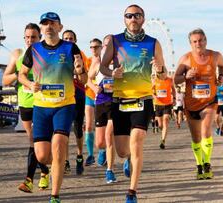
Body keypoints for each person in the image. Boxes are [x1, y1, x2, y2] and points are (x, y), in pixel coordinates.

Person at [99, 4, 166, 202]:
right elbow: (102, 67)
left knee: (136, 142)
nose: (133, 19)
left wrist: (160, 68)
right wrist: (112, 72)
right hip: (120, 100)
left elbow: (163, 74)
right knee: (122, 150)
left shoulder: (153, 43)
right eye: (129, 16)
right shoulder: (115, 40)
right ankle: (127, 159)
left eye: (137, 15)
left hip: (143, 99)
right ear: (125, 19)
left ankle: (132, 192)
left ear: (143, 19)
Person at [18, 12, 86, 203]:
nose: (48, 26)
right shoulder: (34, 49)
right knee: (42, 155)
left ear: (60, 27)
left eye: (52, 23)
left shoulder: (71, 48)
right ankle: (59, 160)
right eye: (45, 23)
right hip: (40, 107)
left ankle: (54, 195)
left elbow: (84, 79)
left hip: (64, 105)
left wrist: (80, 70)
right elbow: (21, 75)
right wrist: (29, 84)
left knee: (58, 145)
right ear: (41, 28)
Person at [2, 23, 50, 193]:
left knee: (37, 140)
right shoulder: (18, 54)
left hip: (42, 102)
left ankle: (29, 179)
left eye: (34, 37)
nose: (30, 40)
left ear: (40, 38)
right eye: (27, 37)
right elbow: (5, 80)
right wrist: (21, 74)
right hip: (25, 102)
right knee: (33, 141)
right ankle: (44, 171)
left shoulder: (46, 53)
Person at [174, 28, 223, 180]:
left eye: (201, 40)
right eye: (195, 41)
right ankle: (199, 164)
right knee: (196, 138)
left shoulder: (215, 55)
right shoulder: (185, 59)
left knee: (205, 131)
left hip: (209, 101)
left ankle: (207, 163)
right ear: (190, 44)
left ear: (206, 40)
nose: (199, 43)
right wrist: (185, 76)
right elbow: (175, 79)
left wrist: (221, 76)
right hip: (191, 104)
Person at [88, 37, 117, 183]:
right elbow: (87, 79)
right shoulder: (97, 64)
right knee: (100, 143)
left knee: (109, 136)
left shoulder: (118, 64)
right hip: (100, 102)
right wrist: (94, 87)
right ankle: (104, 152)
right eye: (105, 45)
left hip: (115, 102)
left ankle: (110, 170)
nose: (106, 48)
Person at [61, 30, 88, 174]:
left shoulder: (80, 55)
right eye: (66, 38)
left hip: (78, 94)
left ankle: (79, 156)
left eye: (71, 38)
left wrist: (79, 71)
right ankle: (65, 160)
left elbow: (86, 77)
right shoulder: (59, 54)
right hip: (64, 95)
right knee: (63, 129)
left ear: (75, 40)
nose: (68, 40)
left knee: (77, 129)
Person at [152, 73, 175, 149]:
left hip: (168, 104)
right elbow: (151, 91)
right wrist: (154, 95)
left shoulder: (170, 80)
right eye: (162, 74)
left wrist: (174, 98)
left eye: (165, 73)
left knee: (165, 120)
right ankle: (164, 131)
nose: (164, 75)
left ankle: (163, 140)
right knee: (160, 125)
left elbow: (173, 89)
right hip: (158, 104)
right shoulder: (155, 80)